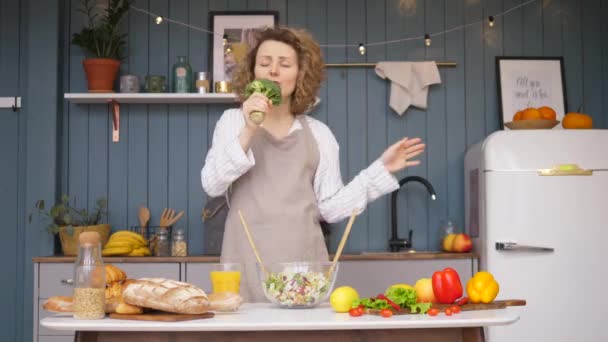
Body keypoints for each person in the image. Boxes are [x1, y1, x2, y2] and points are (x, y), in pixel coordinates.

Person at [201, 26, 425, 302]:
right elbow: (212, 184)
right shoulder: (232, 122)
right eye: (264, 63)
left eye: (284, 64)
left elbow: (330, 208)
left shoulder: (320, 134)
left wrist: (381, 170)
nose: (273, 71)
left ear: (300, 74)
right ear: (253, 72)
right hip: (243, 266)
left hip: (304, 269)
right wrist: (249, 129)